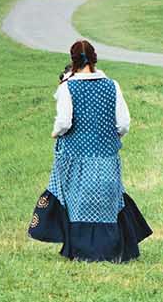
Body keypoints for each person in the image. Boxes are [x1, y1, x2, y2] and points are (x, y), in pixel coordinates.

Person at [36, 39, 149, 262]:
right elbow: (123, 123)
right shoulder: (112, 85)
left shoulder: (67, 87)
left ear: (73, 61)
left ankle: (80, 250)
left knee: (77, 199)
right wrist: (111, 137)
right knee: (109, 198)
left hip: (75, 156)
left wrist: (55, 132)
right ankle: (111, 248)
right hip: (106, 155)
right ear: (94, 59)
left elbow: (64, 122)